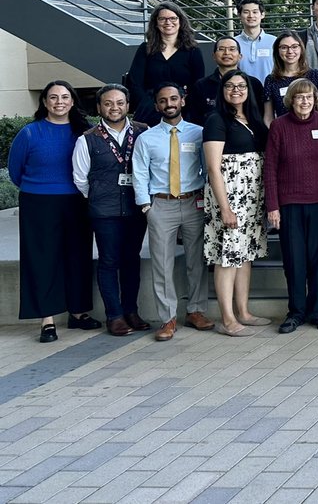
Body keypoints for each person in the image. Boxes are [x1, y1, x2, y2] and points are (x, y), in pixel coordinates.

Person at [10, 81, 100, 342]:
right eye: (53, 97)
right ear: (45, 102)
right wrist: (40, 188)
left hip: (76, 201)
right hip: (38, 202)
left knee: (78, 255)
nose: (59, 101)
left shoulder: (84, 133)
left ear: (72, 101)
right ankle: (47, 319)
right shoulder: (30, 133)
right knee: (42, 259)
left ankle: (79, 313)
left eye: (64, 97)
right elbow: (16, 171)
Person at [132, 82, 213, 341]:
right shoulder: (146, 138)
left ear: (183, 101)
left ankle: (196, 310)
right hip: (160, 204)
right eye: (163, 100)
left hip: (193, 203)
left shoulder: (199, 133)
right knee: (162, 264)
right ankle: (167, 318)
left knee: (196, 261)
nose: (169, 104)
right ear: (157, 105)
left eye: (174, 98)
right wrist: (147, 207)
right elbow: (140, 173)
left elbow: (207, 167)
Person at [71, 84, 150, 336]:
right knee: (108, 261)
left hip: (136, 208)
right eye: (108, 103)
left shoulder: (143, 132)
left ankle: (131, 311)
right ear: (99, 107)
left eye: (119, 103)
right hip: (104, 212)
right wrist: (99, 197)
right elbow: (80, 179)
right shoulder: (87, 139)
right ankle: (114, 315)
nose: (114, 108)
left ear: (128, 105)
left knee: (131, 260)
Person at [264, 79, 318, 334]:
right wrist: (272, 206)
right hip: (289, 205)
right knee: (294, 260)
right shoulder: (278, 126)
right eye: (299, 97)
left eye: (309, 97)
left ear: (315, 99)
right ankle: (296, 311)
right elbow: (270, 169)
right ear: (290, 101)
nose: (305, 102)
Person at [202, 70, 271, 337]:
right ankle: (228, 318)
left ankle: (243, 311)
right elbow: (213, 167)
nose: (236, 90)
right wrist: (225, 207)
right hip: (230, 196)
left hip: (253, 198)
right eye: (229, 86)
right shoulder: (216, 120)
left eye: (241, 86)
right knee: (227, 258)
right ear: (222, 90)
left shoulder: (252, 119)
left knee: (246, 255)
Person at [126, 2, 206, 124]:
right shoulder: (145, 49)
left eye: (173, 18)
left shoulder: (193, 51)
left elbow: (198, 85)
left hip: (184, 113)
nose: (168, 22)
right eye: (162, 19)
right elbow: (135, 83)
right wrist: (152, 105)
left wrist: (182, 106)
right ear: (156, 23)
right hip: (150, 111)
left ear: (180, 21)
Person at [187, 35, 266, 125]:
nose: (226, 53)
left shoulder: (254, 84)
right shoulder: (201, 85)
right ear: (214, 56)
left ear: (240, 56)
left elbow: (260, 114)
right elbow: (195, 118)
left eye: (232, 49)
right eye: (221, 49)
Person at [264, 30, 318, 123]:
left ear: (301, 49)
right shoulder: (271, 80)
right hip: (283, 132)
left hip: (311, 131)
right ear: (277, 51)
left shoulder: (314, 75)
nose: (290, 51)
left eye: (294, 47)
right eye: (284, 47)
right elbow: (268, 118)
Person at [234, 0, 277, 84]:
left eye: (255, 12)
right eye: (246, 12)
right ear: (239, 15)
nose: (251, 16)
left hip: (269, 93)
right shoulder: (233, 43)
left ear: (262, 15)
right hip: (241, 93)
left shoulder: (275, 41)